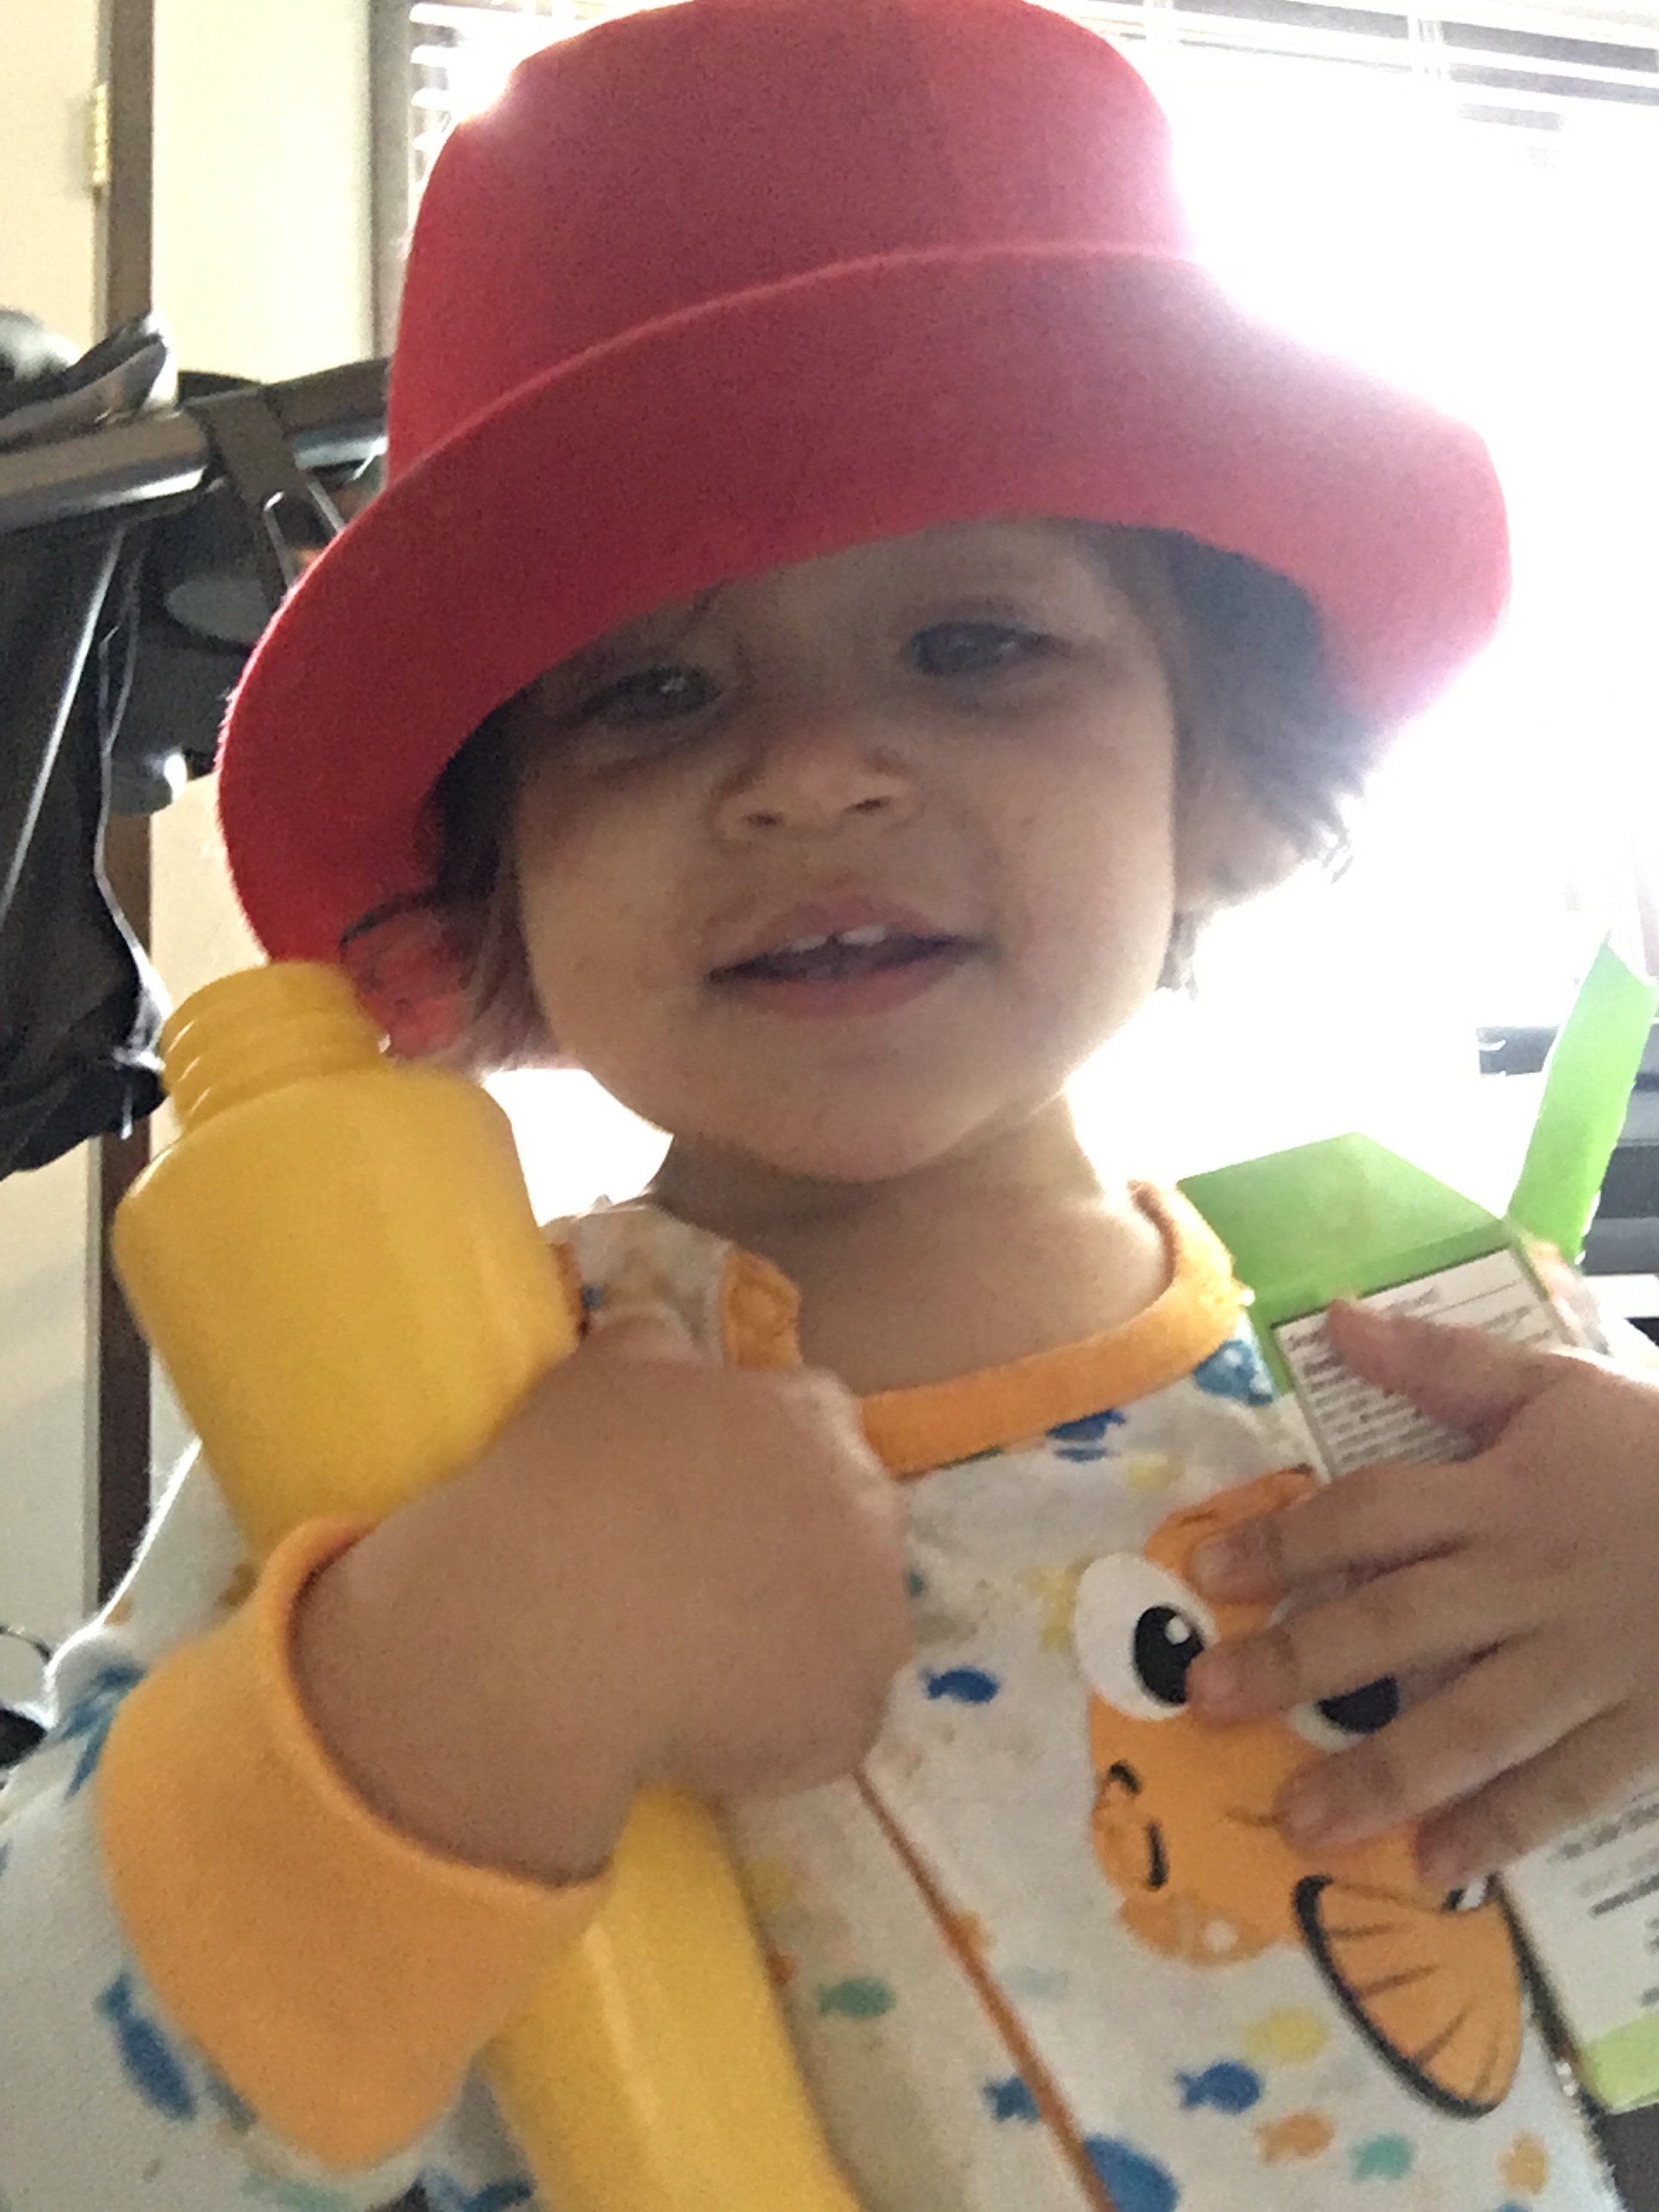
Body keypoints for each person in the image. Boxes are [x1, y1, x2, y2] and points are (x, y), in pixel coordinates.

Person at [4, 1, 1659, 2205]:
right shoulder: (414, 1428)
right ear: (497, 871)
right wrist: (438, 1697)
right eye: (651, 690)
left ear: (1230, 777)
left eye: (974, 644)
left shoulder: (1442, 1377)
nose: (808, 773)